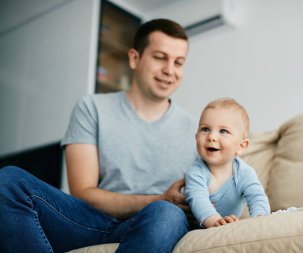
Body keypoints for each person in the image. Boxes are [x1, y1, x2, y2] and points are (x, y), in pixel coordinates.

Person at [0, 19, 198, 253]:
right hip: (90, 221)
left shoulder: (197, 130)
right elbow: (83, 191)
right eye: (160, 57)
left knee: (167, 214)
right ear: (134, 58)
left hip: (154, 223)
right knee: (8, 180)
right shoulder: (91, 107)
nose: (169, 70)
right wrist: (158, 198)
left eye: (179, 62)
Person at [185, 98, 270, 228]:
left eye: (223, 131)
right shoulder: (196, 171)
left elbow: (257, 197)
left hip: (226, 227)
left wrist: (260, 219)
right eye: (205, 129)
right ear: (196, 137)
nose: (211, 137)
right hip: (193, 227)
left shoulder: (244, 173)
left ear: (241, 146)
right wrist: (215, 222)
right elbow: (198, 200)